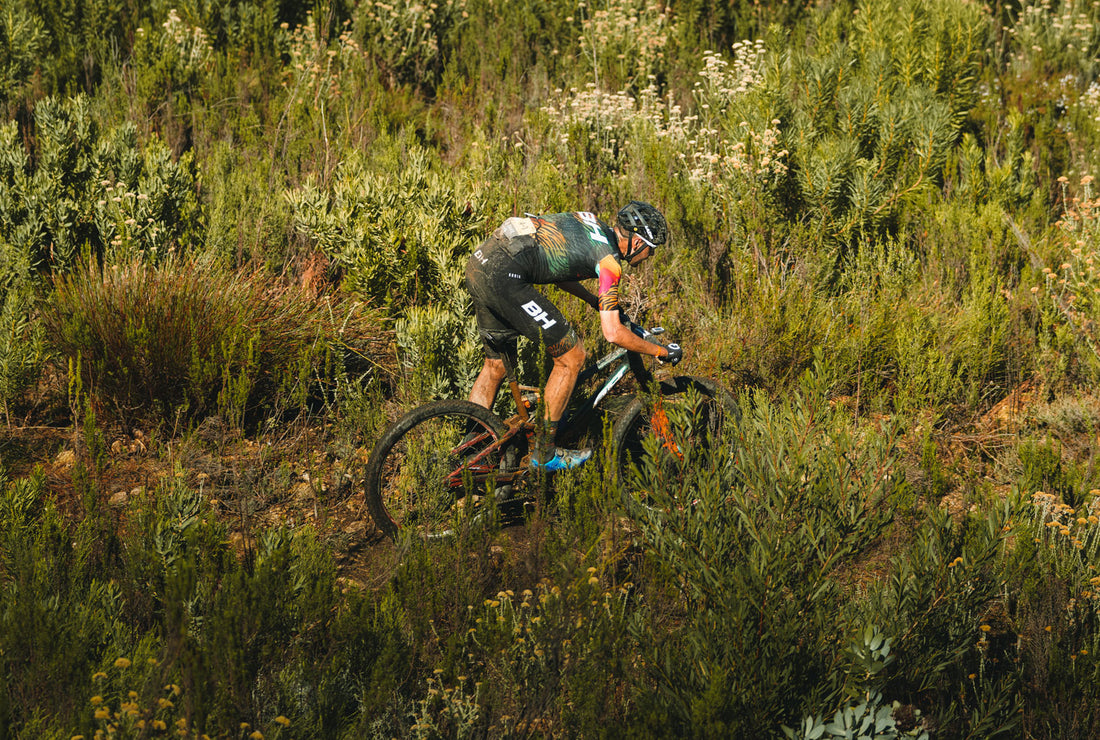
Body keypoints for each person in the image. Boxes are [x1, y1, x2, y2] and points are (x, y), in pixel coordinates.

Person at [464, 201, 682, 471]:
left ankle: (471, 450)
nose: (649, 257)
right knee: (572, 356)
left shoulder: (589, 220)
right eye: (651, 250)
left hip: (482, 261)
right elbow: (613, 333)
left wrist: (593, 299)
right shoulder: (610, 263)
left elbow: (559, 268)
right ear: (637, 243)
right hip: (506, 276)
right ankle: (544, 454)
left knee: (495, 365)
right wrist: (660, 351)